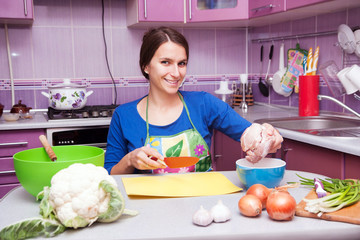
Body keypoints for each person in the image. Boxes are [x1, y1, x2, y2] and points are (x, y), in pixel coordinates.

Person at [105, 26, 282, 175]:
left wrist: (269, 139)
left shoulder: (204, 104)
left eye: (181, 63)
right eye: (165, 62)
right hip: (151, 210)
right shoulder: (124, 116)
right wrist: (130, 160)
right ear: (146, 66)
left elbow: (251, 136)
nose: (176, 73)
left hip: (203, 206)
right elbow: (110, 175)